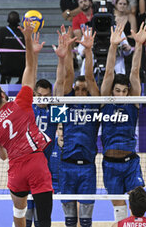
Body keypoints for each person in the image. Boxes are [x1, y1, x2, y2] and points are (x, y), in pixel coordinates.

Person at [0, 19, 53, 227]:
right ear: (3, 93)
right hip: (35, 163)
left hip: (15, 170)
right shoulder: (21, 102)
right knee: (44, 219)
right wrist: (28, 39)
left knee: (19, 213)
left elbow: (3, 156)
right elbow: (30, 68)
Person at [100, 22, 146, 222]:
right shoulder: (106, 101)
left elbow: (135, 71)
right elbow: (108, 74)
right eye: (118, 90)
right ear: (112, 91)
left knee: (137, 204)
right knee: (119, 211)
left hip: (130, 163)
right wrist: (113, 46)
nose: (121, 93)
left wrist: (138, 45)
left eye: (124, 90)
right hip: (110, 164)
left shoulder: (133, 103)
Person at [54, 25, 99, 227]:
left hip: (88, 167)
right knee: (70, 221)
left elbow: (89, 77)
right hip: (67, 166)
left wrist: (88, 51)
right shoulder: (67, 102)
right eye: (77, 89)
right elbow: (68, 76)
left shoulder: (94, 103)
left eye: (84, 89)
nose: (81, 91)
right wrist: (67, 52)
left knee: (87, 221)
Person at [0, 11, 25, 84]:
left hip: (6, 66)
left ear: (8, 20)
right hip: (21, 67)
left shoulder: (1, 31)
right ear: (19, 20)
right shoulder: (24, 31)